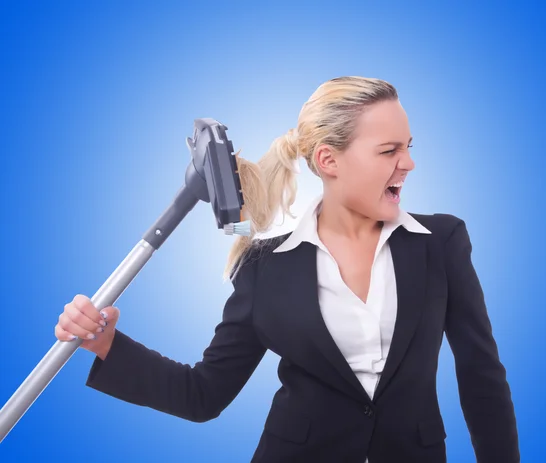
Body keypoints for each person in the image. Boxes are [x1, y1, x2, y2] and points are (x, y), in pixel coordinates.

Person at [54, 76, 520, 462]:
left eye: (409, 147)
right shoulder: (264, 267)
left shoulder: (441, 243)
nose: (409, 163)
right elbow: (203, 395)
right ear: (328, 160)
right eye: (389, 150)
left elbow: (481, 375)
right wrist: (107, 343)